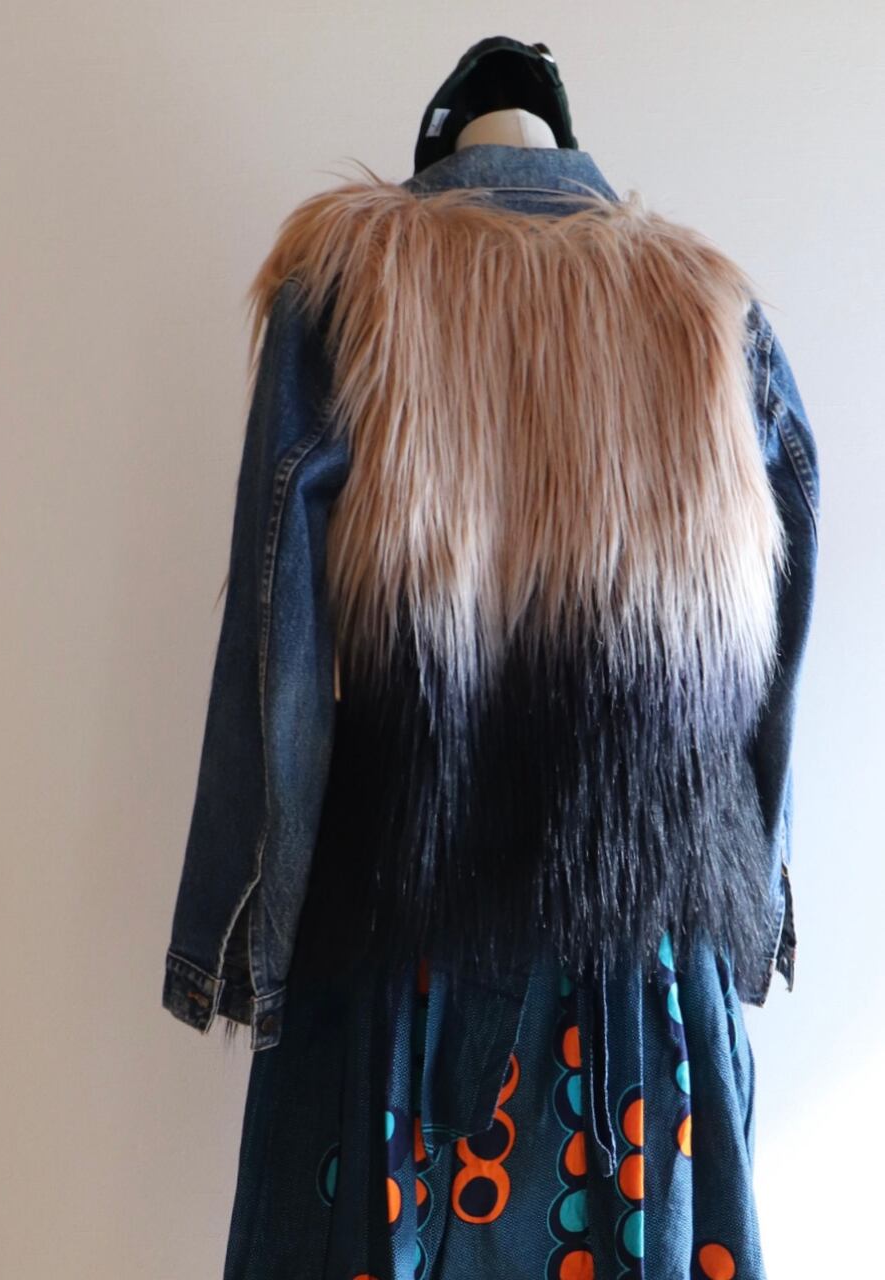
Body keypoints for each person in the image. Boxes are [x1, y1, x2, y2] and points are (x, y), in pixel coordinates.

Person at [162, 37, 819, 1280]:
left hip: (406, 948)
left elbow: (277, 639)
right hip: (647, 976)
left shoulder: (347, 284)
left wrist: (246, 931)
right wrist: (758, 910)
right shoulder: (708, 306)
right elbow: (773, 645)